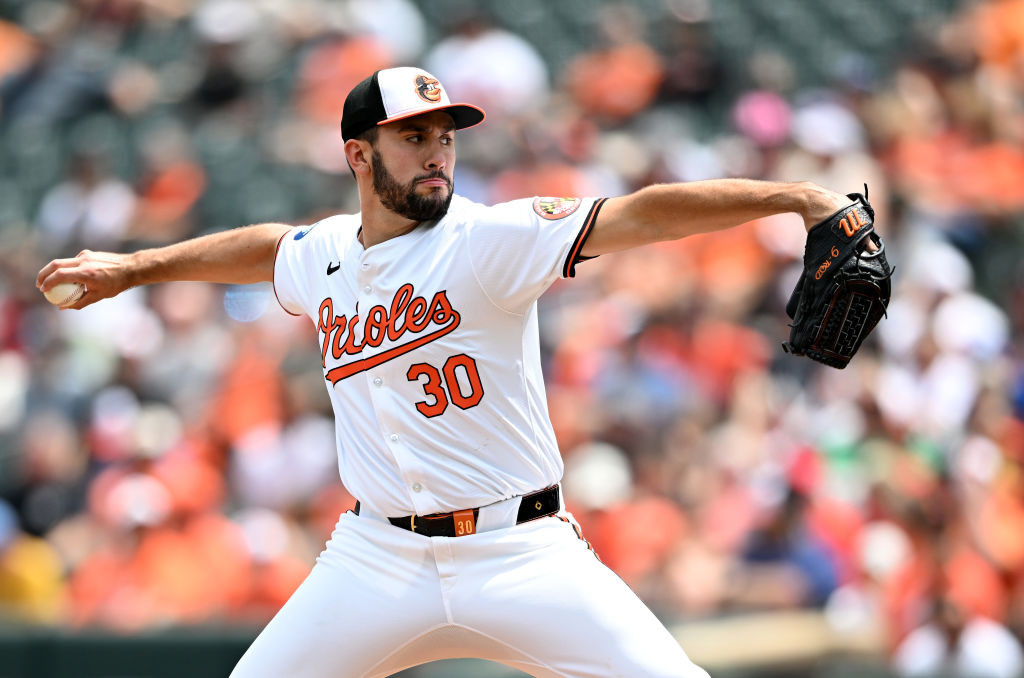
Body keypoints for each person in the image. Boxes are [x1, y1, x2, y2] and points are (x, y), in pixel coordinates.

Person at [37, 67, 854, 678]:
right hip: (375, 558)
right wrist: (135, 268)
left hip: (523, 551)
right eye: (413, 136)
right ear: (360, 155)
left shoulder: (489, 239)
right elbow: (268, 249)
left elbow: (637, 213)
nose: (437, 154)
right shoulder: (325, 255)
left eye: (446, 136)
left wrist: (793, 197)